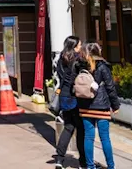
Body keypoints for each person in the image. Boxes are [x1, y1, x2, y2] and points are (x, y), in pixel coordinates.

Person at [77, 42, 120, 169]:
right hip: (101, 106)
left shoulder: (80, 66)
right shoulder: (103, 67)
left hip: (85, 105)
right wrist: (115, 105)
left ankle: (90, 166)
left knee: (88, 137)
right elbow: (110, 87)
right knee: (105, 138)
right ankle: (111, 166)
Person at [53, 36, 86, 169]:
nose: (80, 47)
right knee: (80, 128)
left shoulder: (61, 58)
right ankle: (83, 161)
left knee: (68, 127)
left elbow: (61, 77)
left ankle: (59, 159)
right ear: (74, 46)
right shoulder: (78, 60)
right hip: (75, 96)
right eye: (79, 45)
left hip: (64, 96)